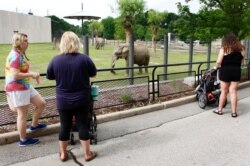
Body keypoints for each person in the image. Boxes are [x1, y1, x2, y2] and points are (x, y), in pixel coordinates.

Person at [46, 31, 97, 162]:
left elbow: (49, 75)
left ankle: (63, 154)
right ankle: (87, 154)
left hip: (63, 100)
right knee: (82, 126)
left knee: (64, 126)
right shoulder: (84, 58)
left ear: (62, 43)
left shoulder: (55, 60)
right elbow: (93, 73)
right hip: (82, 99)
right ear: (76, 42)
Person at [5, 33, 47, 146]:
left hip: (25, 86)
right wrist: (32, 74)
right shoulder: (15, 56)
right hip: (17, 88)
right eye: (25, 41)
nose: (28, 43)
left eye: (27, 40)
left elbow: (20, 71)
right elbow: (15, 75)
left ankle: (34, 125)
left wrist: (32, 75)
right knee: (22, 114)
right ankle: (23, 140)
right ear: (18, 42)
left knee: (41, 103)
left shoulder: (20, 54)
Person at [213, 32, 245, 118]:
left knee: (224, 91)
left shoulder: (224, 48)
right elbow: (242, 62)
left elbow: (219, 62)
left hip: (225, 71)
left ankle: (219, 110)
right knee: (233, 91)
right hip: (236, 71)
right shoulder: (242, 49)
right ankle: (234, 112)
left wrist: (216, 67)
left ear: (226, 40)